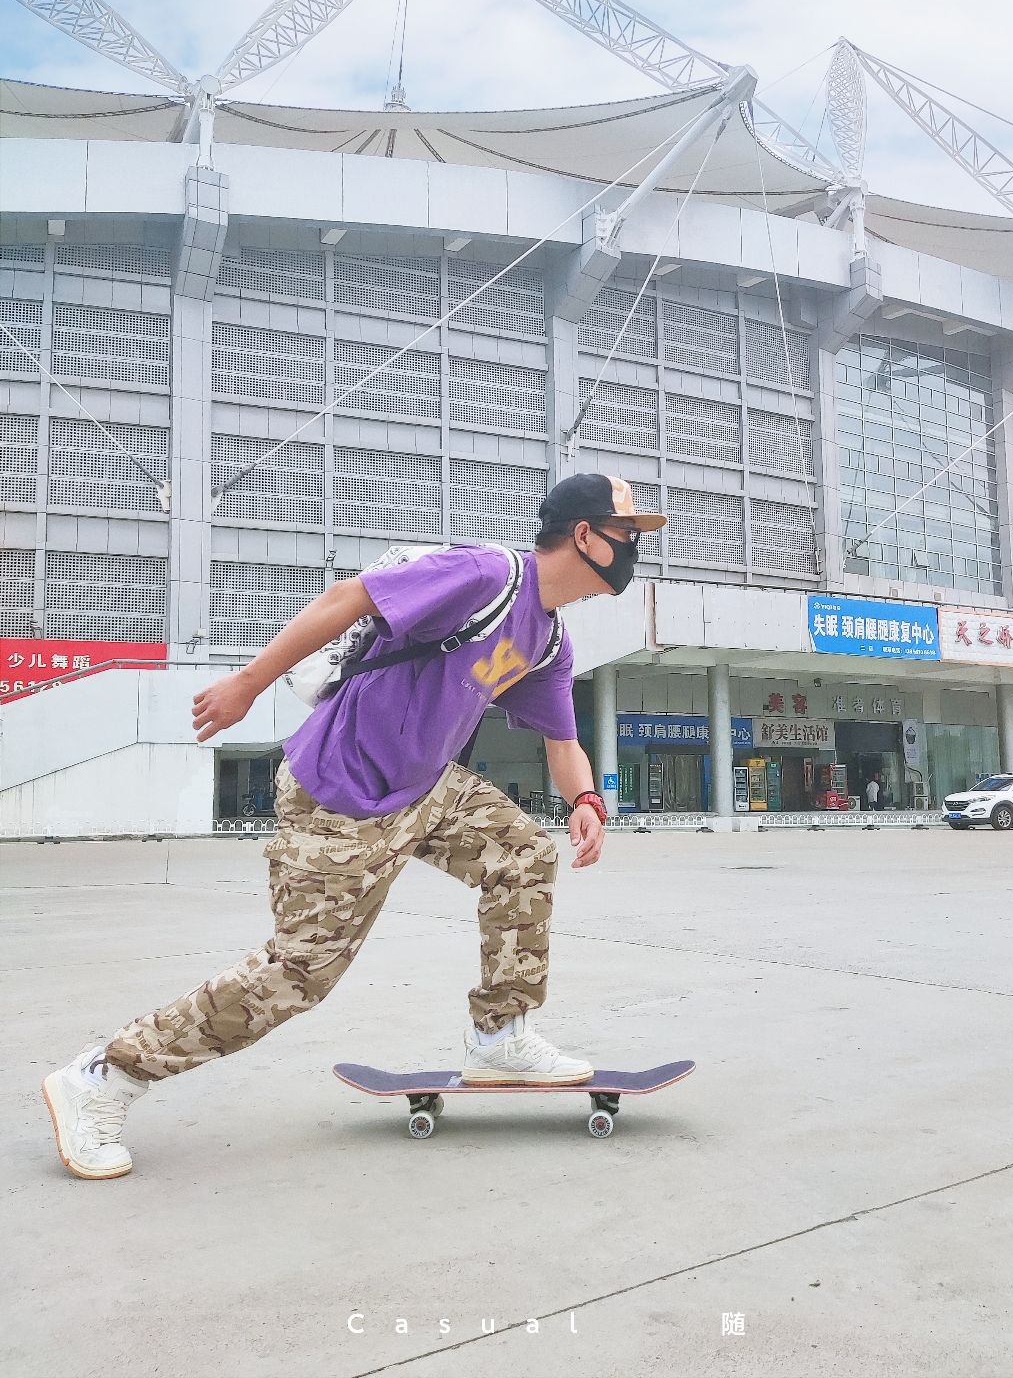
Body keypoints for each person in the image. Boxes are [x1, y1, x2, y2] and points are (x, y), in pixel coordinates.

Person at [42, 474, 667, 1180]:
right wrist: (247, 683)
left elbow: (562, 740)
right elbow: (347, 598)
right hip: (339, 793)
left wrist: (586, 800)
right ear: (584, 535)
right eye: (627, 534)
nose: (633, 548)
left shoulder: (549, 639)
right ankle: (106, 1075)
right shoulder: (487, 575)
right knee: (298, 974)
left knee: (523, 854)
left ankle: (500, 1036)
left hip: (426, 788)